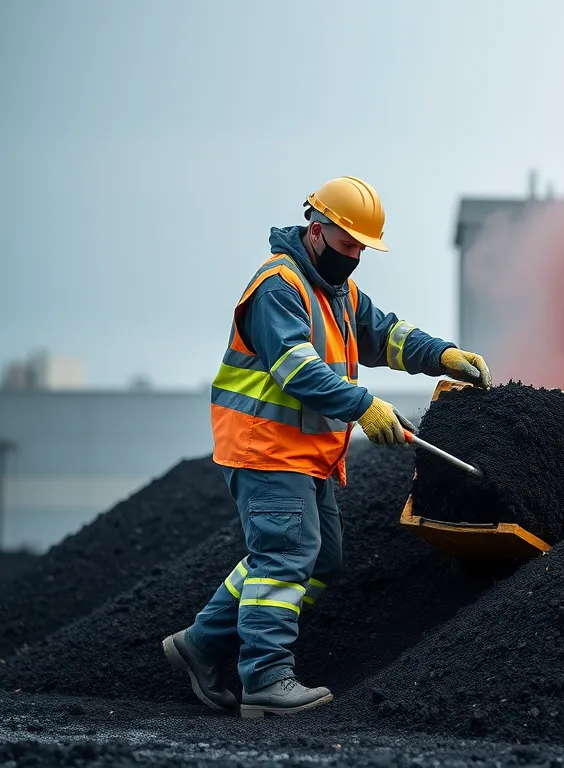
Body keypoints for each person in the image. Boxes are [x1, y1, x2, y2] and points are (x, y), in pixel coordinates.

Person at [161, 176, 491, 718]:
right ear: (317, 230)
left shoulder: (337, 291)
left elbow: (384, 334)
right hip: (265, 447)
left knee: (321, 558)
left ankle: (202, 644)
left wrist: (444, 355)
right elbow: (296, 368)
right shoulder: (278, 286)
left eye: (363, 248)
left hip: (306, 454)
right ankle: (266, 679)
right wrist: (363, 405)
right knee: (285, 554)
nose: (355, 256)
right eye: (348, 244)